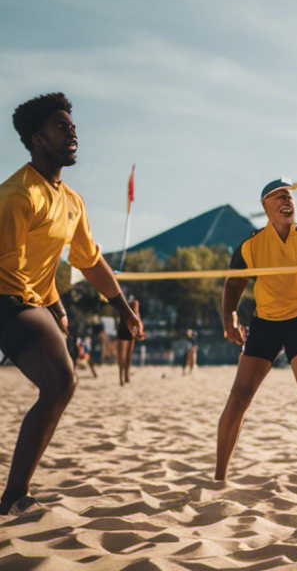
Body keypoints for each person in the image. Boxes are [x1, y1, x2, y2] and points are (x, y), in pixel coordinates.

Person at [0, 92, 145, 515]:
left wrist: (123, 307)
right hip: (7, 297)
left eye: (73, 125)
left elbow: (90, 261)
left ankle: (13, 497)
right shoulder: (17, 195)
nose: (72, 132)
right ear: (37, 139)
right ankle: (14, 496)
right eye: (60, 126)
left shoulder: (72, 200)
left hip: (25, 301)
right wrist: (47, 305)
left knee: (60, 384)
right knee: (61, 381)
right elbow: (10, 270)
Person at [215, 178, 297, 484]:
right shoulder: (252, 246)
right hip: (267, 320)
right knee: (240, 395)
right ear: (265, 207)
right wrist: (229, 317)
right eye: (278, 197)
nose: (285, 199)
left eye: (289, 195)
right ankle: (219, 478)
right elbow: (234, 282)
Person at [113, 292, 136, 386]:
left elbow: (117, 320)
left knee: (124, 355)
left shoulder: (121, 304)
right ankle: (124, 377)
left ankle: (123, 377)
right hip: (128, 329)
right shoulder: (133, 304)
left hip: (125, 328)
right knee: (126, 355)